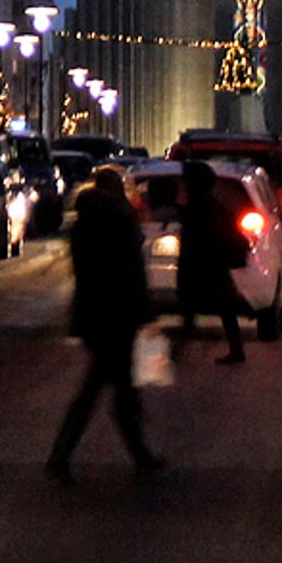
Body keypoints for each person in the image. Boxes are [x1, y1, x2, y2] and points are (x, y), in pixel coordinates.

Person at [48, 167, 165, 479]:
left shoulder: (83, 224)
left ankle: (66, 455)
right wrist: (146, 314)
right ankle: (138, 456)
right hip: (120, 316)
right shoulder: (121, 223)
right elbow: (132, 274)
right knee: (114, 389)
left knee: (103, 387)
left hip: (92, 316)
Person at [174, 154, 249, 364]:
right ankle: (235, 348)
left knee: (194, 304)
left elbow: (199, 234)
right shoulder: (212, 203)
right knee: (222, 306)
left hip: (204, 264)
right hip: (214, 265)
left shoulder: (200, 206)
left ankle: (181, 348)